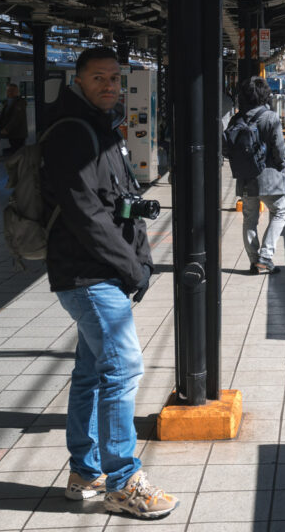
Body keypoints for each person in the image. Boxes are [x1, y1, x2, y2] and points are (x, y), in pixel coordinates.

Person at [41, 47, 178, 520]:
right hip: (87, 273)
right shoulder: (72, 134)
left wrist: (137, 257)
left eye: (115, 79)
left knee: (91, 373)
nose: (109, 86)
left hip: (98, 270)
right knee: (124, 369)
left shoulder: (100, 127)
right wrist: (132, 266)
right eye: (98, 77)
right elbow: (86, 215)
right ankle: (123, 481)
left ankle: (84, 470)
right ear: (77, 80)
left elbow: (120, 201)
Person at [226, 77, 285, 274]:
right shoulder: (270, 117)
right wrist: (281, 165)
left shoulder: (237, 119)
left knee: (249, 218)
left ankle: (254, 260)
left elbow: (227, 148)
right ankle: (265, 256)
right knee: (280, 212)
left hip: (245, 177)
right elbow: (279, 148)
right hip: (269, 176)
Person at [0, 83, 28, 153]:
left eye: (12, 90)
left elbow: (16, 118)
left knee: (18, 152)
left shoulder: (20, 102)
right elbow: (6, 117)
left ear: (17, 91)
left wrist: (6, 129)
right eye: (9, 90)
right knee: (13, 150)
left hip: (18, 134)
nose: (10, 92)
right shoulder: (7, 101)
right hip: (12, 133)